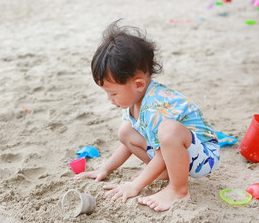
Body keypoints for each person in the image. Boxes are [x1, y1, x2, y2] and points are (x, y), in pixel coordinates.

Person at [74, 20, 220, 212]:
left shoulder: (155, 105)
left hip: (203, 155)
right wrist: (105, 168)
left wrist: (135, 186)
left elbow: (161, 150)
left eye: (114, 93)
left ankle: (178, 190)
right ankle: (169, 172)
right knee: (126, 132)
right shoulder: (135, 101)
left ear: (139, 84)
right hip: (180, 152)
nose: (110, 99)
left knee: (168, 130)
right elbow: (127, 144)